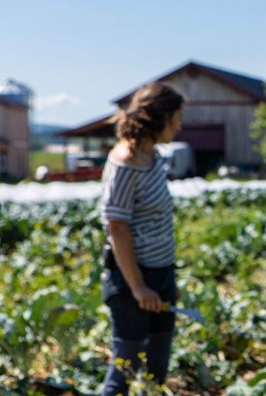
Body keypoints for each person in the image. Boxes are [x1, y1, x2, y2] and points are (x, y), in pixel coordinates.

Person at [100, 82, 184, 395]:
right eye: (176, 117)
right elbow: (117, 226)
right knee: (126, 366)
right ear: (161, 117)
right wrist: (138, 287)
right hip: (132, 279)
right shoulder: (125, 161)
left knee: (156, 368)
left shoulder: (152, 155)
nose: (179, 125)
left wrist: (164, 280)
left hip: (161, 273)